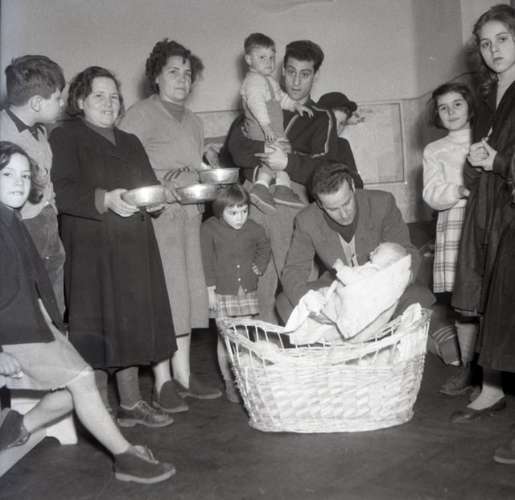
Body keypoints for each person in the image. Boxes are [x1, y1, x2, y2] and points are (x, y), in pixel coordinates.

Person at [0, 141, 174, 484]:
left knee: (85, 382)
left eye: (24, 175)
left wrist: (52, 325)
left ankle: (18, 426)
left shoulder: (10, 218)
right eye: (6, 174)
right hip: (11, 332)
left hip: (32, 326)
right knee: (82, 380)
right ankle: (125, 457)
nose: (18, 182)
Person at [49, 66, 175, 429]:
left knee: (132, 321)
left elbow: (148, 185)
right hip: (91, 248)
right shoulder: (65, 137)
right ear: (80, 101)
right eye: (99, 96)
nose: (109, 103)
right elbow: (61, 191)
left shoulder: (130, 141)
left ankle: (131, 403)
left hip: (134, 246)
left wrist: (156, 200)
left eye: (114, 96)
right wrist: (105, 199)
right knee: (98, 322)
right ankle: (99, 408)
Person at [119, 39, 222, 413]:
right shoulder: (140, 115)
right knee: (164, 298)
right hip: (157, 219)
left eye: (187, 74)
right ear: (156, 77)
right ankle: (162, 382)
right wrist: (161, 186)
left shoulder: (194, 121)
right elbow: (123, 164)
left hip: (190, 217)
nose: (182, 79)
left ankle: (184, 375)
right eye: (173, 72)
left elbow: (192, 166)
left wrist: (208, 170)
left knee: (189, 296)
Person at [222, 40, 350, 322]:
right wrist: (268, 150)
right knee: (257, 283)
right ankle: (264, 342)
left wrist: (288, 162)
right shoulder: (257, 103)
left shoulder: (321, 118)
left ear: (315, 75)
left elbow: (325, 168)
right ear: (281, 70)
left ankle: (307, 342)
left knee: (297, 282)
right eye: (290, 72)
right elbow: (234, 150)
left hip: (293, 205)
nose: (296, 81)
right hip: (255, 201)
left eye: (305, 74)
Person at [450, 4, 515, 427]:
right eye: (486, 44)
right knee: (494, 295)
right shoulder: (490, 96)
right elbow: (482, 162)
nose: (494, 50)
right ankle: (491, 389)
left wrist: (498, 162)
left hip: (510, 207)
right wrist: (477, 162)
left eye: (503, 39)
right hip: (490, 207)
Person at [277, 162, 434, 323]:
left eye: (347, 203)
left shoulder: (382, 203)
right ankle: (336, 337)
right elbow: (293, 271)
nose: (344, 214)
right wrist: (311, 305)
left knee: (418, 298)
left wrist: (390, 285)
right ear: (319, 204)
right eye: (333, 209)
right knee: (285, 302)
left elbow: (407, 252)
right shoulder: (306, 220)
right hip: (338, 290)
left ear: (352, 186)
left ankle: (387, 334)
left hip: (384, 285)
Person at [422, 82, 478, 393]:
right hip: (455, 224)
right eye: (443, 108)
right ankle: (468, 369)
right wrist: (458, 190)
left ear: (470, 105)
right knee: (464, 303)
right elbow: (431, 193)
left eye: (457, 104)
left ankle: (495, 371)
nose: (451, 112)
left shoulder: (488, 139)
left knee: (493, 298)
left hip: (488, 222)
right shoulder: (434, 150)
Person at [0, 55, 66, 313]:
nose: (62, 104)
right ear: (37, 103)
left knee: (53, 306)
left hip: (48, 232)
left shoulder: (40, 131)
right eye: (58, 98)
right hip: (19, 233)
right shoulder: (3, 134)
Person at [200, 184, 271, 402]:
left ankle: (245, 380)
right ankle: (229, 382)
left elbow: (265, 246)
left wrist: (259, 266)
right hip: (221, 292)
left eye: (244, 211)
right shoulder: (209, 228)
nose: (240, 217)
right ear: (220, 210)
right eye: (233, 213)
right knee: (225, 339)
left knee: (244, 338)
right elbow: (206, 260)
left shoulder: (254, 228)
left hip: (246, 291)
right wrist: (210, 291)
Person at [241, 32, 310, 212]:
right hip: (261, 129)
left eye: (272, 57)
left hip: (274, 129)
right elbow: (256, 104)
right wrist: (266, 127)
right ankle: (261, 188)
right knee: (273, 157)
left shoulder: (269, 81)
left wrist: (295, 105)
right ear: (248, 59)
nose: (269, 62)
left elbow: (281, 98)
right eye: (262, 57)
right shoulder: (253, 81)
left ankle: (282, 189)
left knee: (280, 157)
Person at [316, 91, 364, 188]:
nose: (336, 128)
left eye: (342, 123)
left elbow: (357, 183)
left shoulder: (342, 145)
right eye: (332, 121)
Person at [335, 242, 408, 285]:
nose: (371, 252)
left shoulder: (374, 271)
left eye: (376, 252)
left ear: (390, 264)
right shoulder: (375, 271)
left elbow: (355, 282)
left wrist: (341, 269)